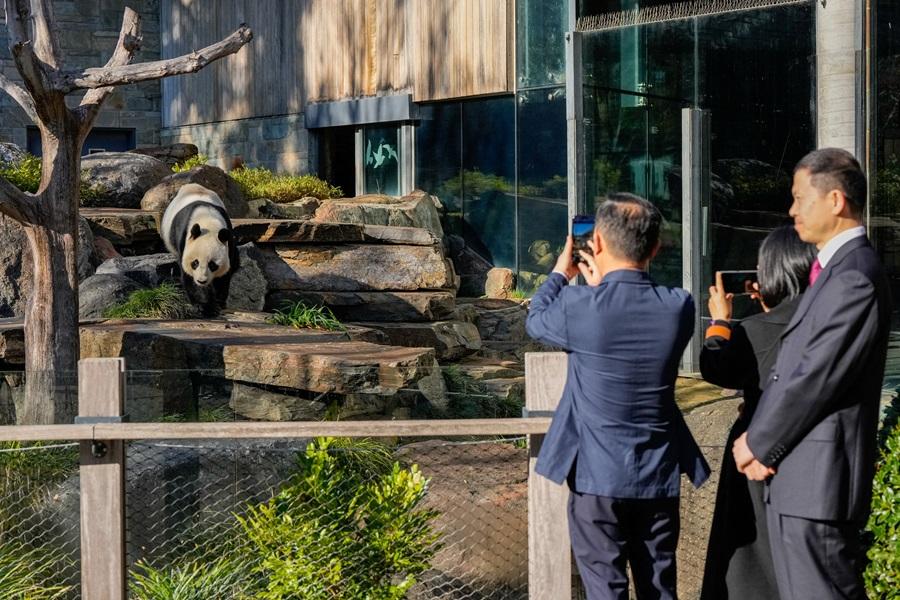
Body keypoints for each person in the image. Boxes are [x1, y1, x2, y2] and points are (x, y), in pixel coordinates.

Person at [526, 192, 710, 600]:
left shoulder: (577, 304)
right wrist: (602, 288)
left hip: (596, 476)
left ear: (597, 243)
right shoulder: (679, 306)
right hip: (658, 474)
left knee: (606, 591)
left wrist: (561, 274)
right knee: (660, 589)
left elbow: (536, 320)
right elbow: (625, 315)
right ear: (656, 248)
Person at [733, 148, 891, 599]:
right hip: (801, 481)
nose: (792, 210)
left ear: (835, 200)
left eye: (800, 198)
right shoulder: (834, 271)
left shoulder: (854, 276)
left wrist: (760, 440)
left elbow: (814, 377)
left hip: (819, 484)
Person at [698, 226, 816, 600]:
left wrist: (720, 322)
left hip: (756, 448)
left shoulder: (752, 331)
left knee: (749, 559)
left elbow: (716, 367)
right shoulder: (827, 321)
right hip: (812, 453)